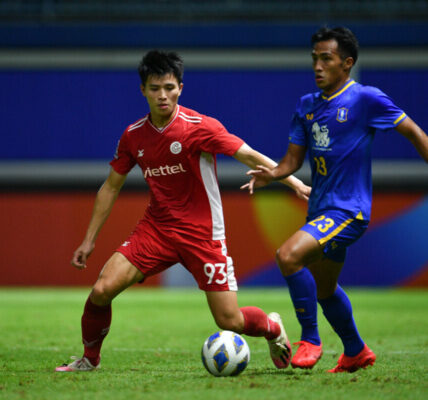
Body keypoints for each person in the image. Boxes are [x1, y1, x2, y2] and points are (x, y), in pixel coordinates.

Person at [55, 50, 311, 372]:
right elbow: (111, 186)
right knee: (102, 289)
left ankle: (272, 328)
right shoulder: (133, 136)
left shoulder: (199, 126)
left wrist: (295, 183)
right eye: (154, 88)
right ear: (143, 90)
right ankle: (89, 360)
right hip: (157, 229)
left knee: (229, 320)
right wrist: (89, 239)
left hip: (202, 233)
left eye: (169, 87)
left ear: (180, 87)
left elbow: (249, 155)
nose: (163, 96)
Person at [243, 26, 428, 373]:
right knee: (325, 289)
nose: (317, 66)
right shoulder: (307, 106)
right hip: (320, 211)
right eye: (314, 58)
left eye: (326, 59)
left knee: (288, 255)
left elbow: (414, 131)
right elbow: (292, 161)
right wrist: (273, 174)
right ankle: (356, 351)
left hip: (350, 210)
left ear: (347, 63)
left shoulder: (366, 99)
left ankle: (310, 339)